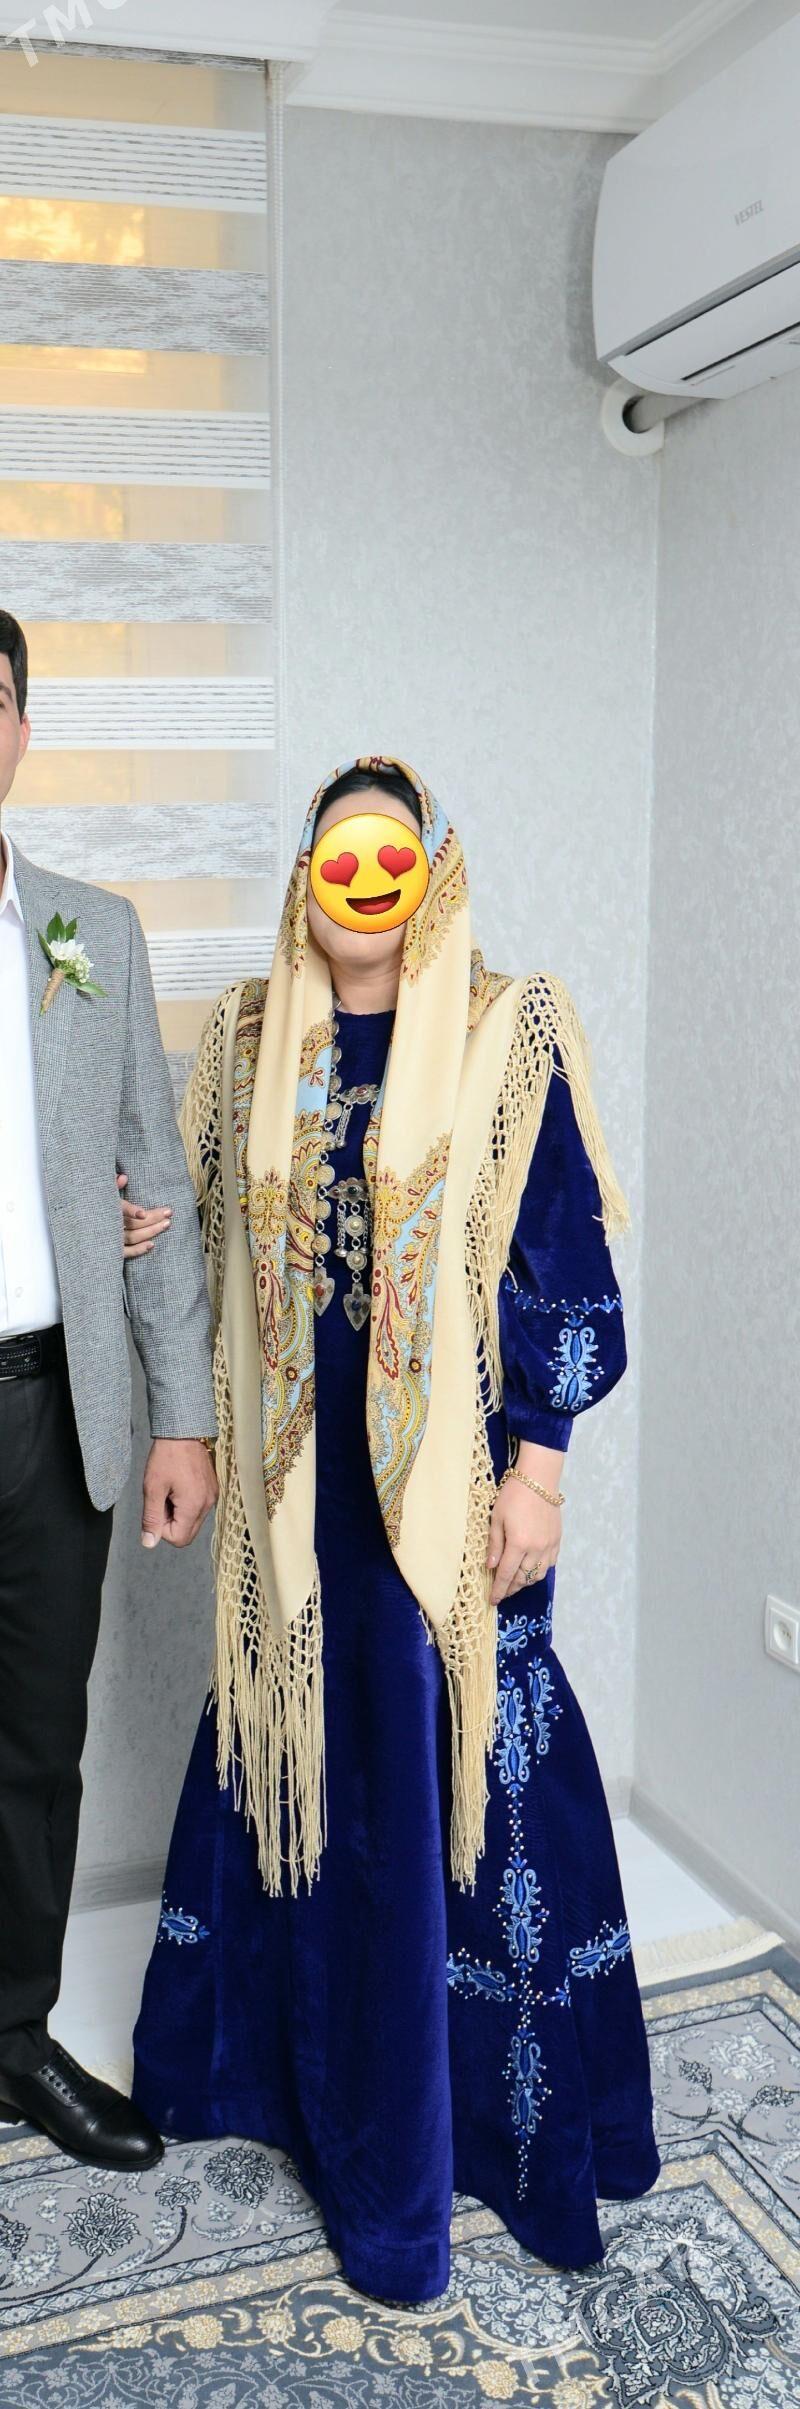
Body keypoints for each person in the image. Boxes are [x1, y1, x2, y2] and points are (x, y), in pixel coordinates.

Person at [130, 753, 661, 2299]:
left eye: (391, 856)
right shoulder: (250, 1041)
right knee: (299, 1766)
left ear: (429, 875)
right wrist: (137, 1216)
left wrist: (539, 1471)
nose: (362, 883)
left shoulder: (505, 1029)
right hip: (298, 1518)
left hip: (449, 1513)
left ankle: (472, 2142)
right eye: (336, 857)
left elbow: (564, 1258)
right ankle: (281, 2090)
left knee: (467, 1791)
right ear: (307, 880)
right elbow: (200, 1221)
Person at [0, 607, 219, 2172]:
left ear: (21, 724)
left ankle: (15, 2035)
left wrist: (182, 1411)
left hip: (48, 1407)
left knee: (31, 1742)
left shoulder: (94, 933)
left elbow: (155, 1182)